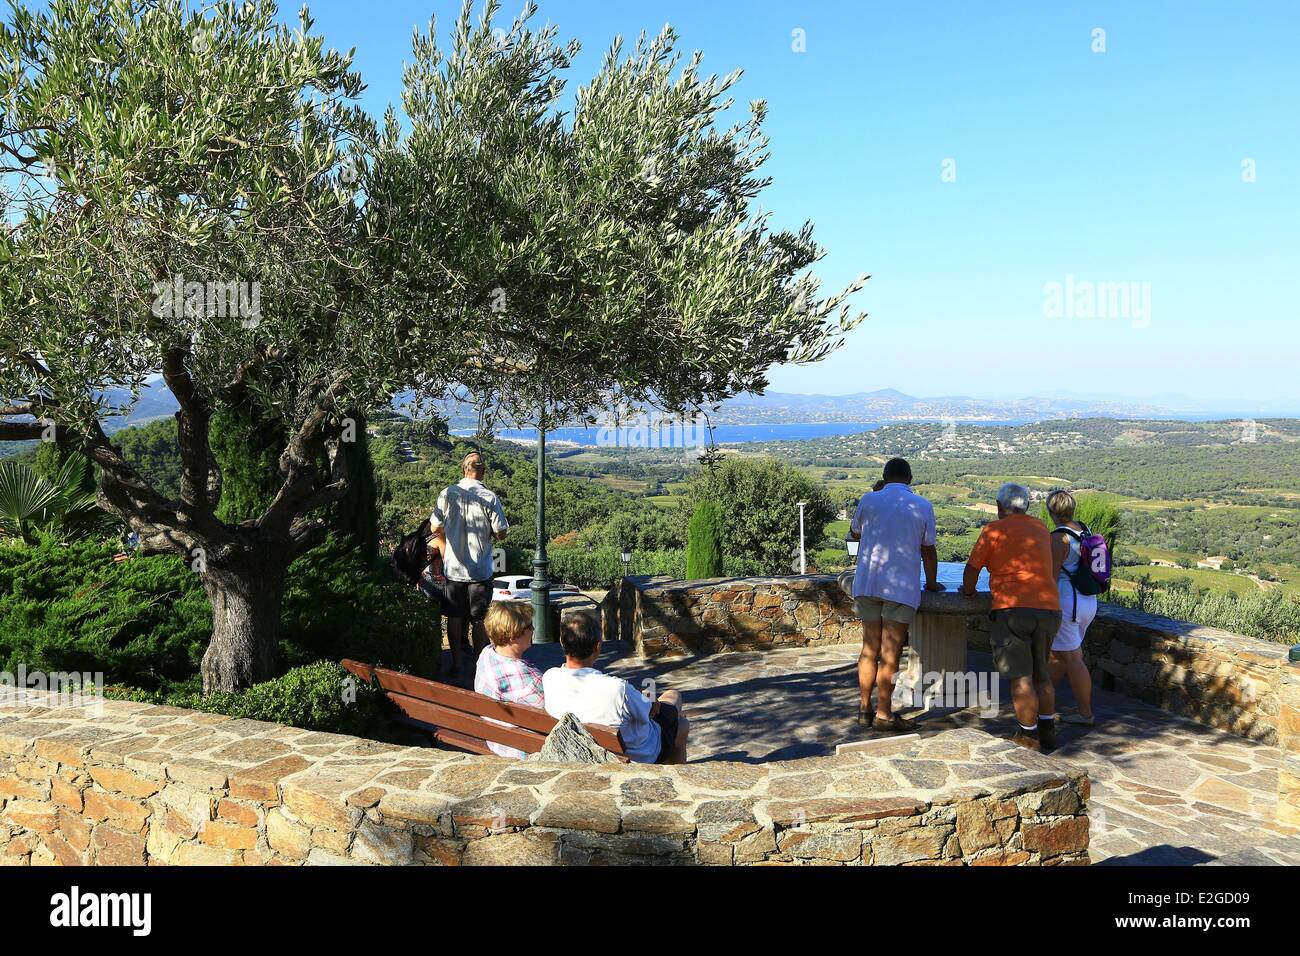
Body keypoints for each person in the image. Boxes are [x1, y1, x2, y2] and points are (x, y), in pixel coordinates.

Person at [961, 483, 1061, 751]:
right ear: (1026, 505)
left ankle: (1028, 737)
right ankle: (1048, 731)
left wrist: (968, 592)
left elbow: (971, 570)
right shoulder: (1040, 527)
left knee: (1021, 677)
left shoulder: (993, 530)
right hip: (1049, 607)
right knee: (1042, 675)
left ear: (998, 506)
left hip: (1013, 609)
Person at [848, 457, 943, 732]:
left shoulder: (869, 499)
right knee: (890, 655)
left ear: (885, 477)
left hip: (867, 583)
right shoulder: (923, 506)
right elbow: (928, 549)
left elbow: (855, 534)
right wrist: (933, 583)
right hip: (900, 588)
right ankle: (884, 714)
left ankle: (864, 708)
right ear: (910, 479)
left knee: (869, 650)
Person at [542, 615, 689, 764]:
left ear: (562, 643)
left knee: (668, 716)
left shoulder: (549, 677)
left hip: (581, 749)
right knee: (678, 712)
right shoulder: (617, 688)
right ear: (597, 646)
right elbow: (650, 712)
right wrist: (650, 701)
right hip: (636, 756)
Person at [430, 450, 509, 674]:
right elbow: (501, 533)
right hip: (480, 570)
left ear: (464, 469)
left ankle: (456, 663)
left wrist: (452, 531)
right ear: (482, 471)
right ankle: (477, 665)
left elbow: (434, 528)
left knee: (454, 617)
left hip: (454, 568)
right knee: (479, 619)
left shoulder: (447, 494)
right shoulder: (490, 497)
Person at [1045, 490, 1096, 727]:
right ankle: (1043, 703)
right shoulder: (1083, 530)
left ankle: (1085, 713)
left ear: (1051, 511)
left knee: (1073, 658)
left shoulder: (1059, 538)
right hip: (1087, 600)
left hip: (1067, 603)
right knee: (1058, 655)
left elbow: (1051, 575)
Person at [474, 600, 545, 760]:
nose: (533, 629)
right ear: (513, 635)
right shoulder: (527, 678)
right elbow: (557, 713)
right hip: (522, 749)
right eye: (529, 626)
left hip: (497, 739)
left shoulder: (487, 654)